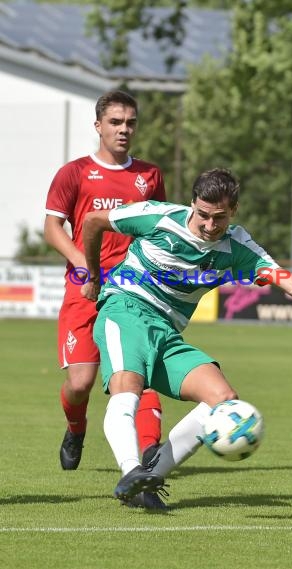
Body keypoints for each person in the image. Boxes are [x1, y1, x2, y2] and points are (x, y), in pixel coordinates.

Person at [80, 168, 292, 507]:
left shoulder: (237, 248)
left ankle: (149, 481)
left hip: (167, 331)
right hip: (125, 309)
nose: (208, 225)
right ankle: (130, 471)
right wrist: (91, 275)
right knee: (127, 387)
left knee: (223, 399)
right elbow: (92, 221)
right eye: (202, 215)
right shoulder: (158, 217)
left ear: (233, 211)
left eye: (218, 218)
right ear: (192, 203)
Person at [44, 89, 167, 509]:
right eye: (115, 122)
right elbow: (52, 228)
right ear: (98, 125)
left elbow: (155, 229)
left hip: (132, 290)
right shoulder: (74, 173)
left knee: (135, 375)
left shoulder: (149, 176)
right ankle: (76, 426)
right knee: (79, 383)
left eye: (130, 122)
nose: (124, 130)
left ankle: (147, 458)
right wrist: (84, 264)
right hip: (84, 288)